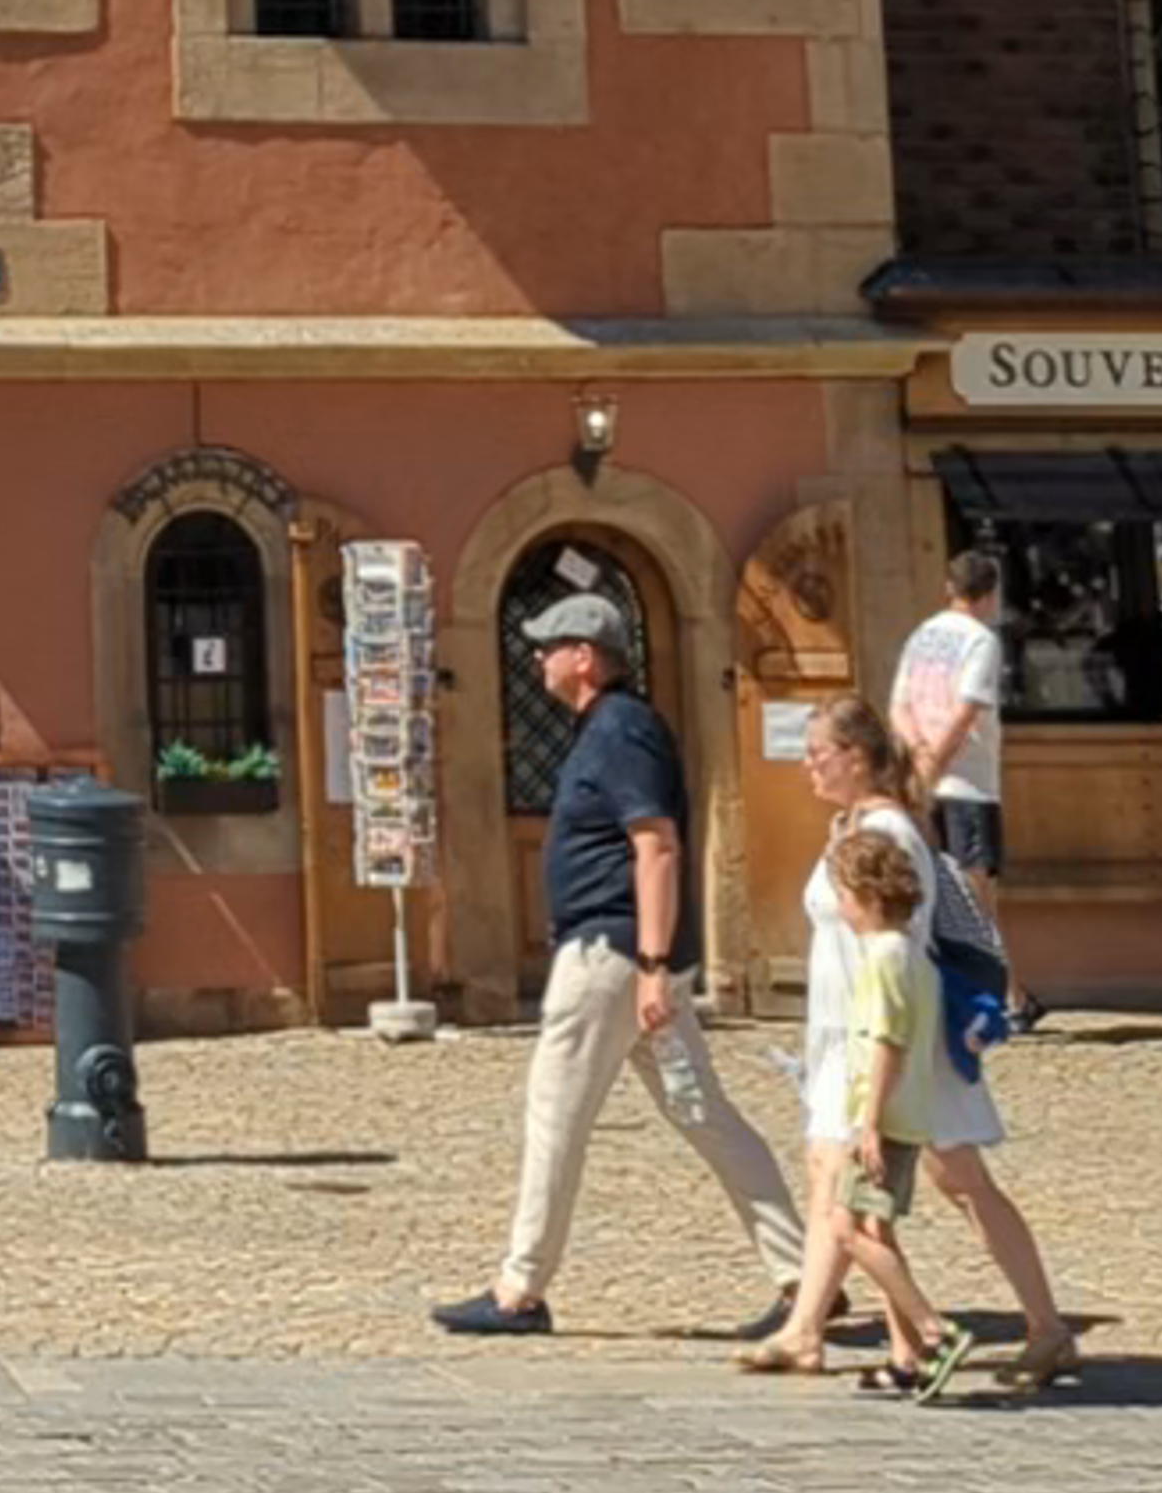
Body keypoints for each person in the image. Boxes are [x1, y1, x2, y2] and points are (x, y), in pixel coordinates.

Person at [431, 584, 797, 1337]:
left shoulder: (622, 731)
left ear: (585, 657)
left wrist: (655, 962)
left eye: (548, 645)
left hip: (611, 954)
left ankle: (519, 1288)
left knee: (554, 1107)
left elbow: (655, 845)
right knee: (703, 1112)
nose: (537, 657)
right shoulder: (613, 727)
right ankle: (803, 1272)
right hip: (628, 953)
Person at [800, 691, 1083, 1386]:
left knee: (940, 1187)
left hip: (898, 1049)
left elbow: (899, 947)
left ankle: (995, 1331)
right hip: (867, 1044)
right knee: (889, 1194)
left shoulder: (888, 833)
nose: (808, 766)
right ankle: (910, 1345)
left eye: (819, 754)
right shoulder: (857, 823)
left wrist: (879, 1068)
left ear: (857, 757)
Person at [741, 811, 956, 1388]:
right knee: (875, 1231)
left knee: (847, 1231)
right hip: (908, 1115)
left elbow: (886, 1043)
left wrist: (865, 1123)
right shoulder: (916, 956)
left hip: (880, 1121)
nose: (838, 908)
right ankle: (907, 1362)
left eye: (842, 895)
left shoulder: (883, 960)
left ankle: (935, 1331)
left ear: (864, 895)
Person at [890, 540, 1033, 1025]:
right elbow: (967, 710)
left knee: (939, 893)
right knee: (975, 895)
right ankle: (1002, 997)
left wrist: (918, 756)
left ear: (949, 588)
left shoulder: (922, 636)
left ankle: (998, 992)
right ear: (990, 594)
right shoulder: (980, 641)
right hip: (969, 784)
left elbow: (899, 708)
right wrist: (937, 762)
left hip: (927, 782)